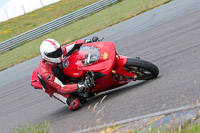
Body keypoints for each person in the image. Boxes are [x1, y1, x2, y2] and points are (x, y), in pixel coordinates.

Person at [37, 37, 98, 110]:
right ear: (47, 56)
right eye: (54, 54)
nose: (59, 54)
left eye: (58, 51)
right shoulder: (45, 73)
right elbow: (61, 87)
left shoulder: (59, 53)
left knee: (77, 54)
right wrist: (81, 85)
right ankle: (77, 94)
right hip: (55, 89)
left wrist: (88, 41)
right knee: (75, 104)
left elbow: (74, 45)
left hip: (62, 75)